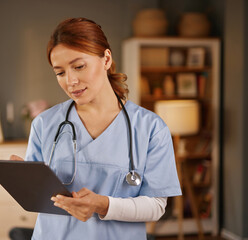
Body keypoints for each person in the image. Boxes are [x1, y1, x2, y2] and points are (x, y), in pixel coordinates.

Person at [11, 17, 182, 239]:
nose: (70, 80)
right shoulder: (45, 124)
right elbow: (37, 198)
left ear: (106, 59)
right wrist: (21, 179)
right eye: (60, 73)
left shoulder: (150, 128)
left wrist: (103, 205)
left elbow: (157, 206)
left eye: (79, 66)